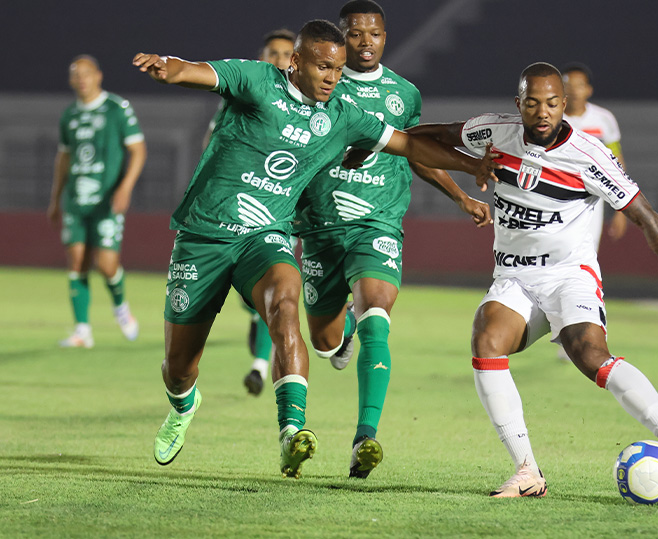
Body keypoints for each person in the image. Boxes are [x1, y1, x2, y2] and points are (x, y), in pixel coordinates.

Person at [132, 19, 498, 479]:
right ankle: (183, 406)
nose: (332, 77)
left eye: (339, 70)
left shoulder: (342, 113)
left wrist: (471, 167)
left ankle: (291, 433)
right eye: (324, 67)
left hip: (265, 237)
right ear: (295, 61)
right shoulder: (258, 81)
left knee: (286, 302)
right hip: (203, 236)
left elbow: (408, 145)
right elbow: (198, 72)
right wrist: (170, 67)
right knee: (179, 367)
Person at [409, 62, 658, 498]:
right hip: (513, 277)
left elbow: (645, 216)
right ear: (519, 104)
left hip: (568, 276)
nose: (542, 112)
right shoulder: (494, 131)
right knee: (486, 341)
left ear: (565, 105)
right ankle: (527, 471)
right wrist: (466, 165)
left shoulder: (589, 156)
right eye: (532, 103)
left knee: (589, 354)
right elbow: (425, 138)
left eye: (552, 103)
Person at [294, 0, 492, 479]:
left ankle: (366, 436)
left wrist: (460, 196)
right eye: (356, 34)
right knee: (324, 343)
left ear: (385, 37)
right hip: (319, 227)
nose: (366, 43)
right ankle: (339, 338)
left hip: (377, 223)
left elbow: (415, 151)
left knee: (376, 316)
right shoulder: (317, 85)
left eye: (374, 34)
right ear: (341, 37)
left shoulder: (403, 94)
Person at [202, 28, 296, 398]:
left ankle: (259, 366)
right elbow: (212, 146)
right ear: (260, 56)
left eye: (286, 53)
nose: (278, 59)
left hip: (280, 212)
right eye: (271, 52)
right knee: (252, 297)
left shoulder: (311, 104)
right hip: (236, 209)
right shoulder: (240, 99)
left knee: (271, 286)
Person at [48, 55, 147, 349]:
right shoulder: (69, 116)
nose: (81, 79)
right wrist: (55, 198)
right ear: (70, 81)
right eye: (75, 74)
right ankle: (82, 331)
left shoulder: (117, 109)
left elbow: (138, 150)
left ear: (98, 76)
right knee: (76, 260)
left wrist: (125, 188)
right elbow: (64, 158)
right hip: (77, 201)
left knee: (105, 264)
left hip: (107, 200)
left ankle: (120, 307)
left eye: (86, 73)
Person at [561, 63, 628, 245]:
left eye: (580, 85)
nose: (574, 91)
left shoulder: (603, 119)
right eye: (568, 85)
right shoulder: (551, 118)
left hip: (592, 196)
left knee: (587, 252)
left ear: (589, 89)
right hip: (555, 194)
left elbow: (616, 161)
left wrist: (620, 210)